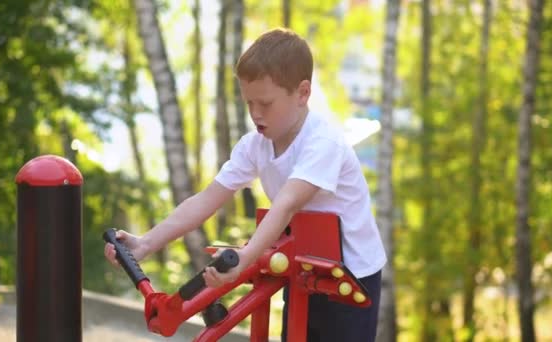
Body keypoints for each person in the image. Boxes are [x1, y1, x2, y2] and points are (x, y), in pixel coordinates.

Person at [104, 27, 387, 341]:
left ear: (302, 93)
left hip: (352, 277)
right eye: (249, 103)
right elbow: (207, 199)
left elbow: (287, 203)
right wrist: (146, 243)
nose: (255, 113)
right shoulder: (255, 145)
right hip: (302, 266)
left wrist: (246, 256)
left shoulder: (323, 143)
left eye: (265, 104)